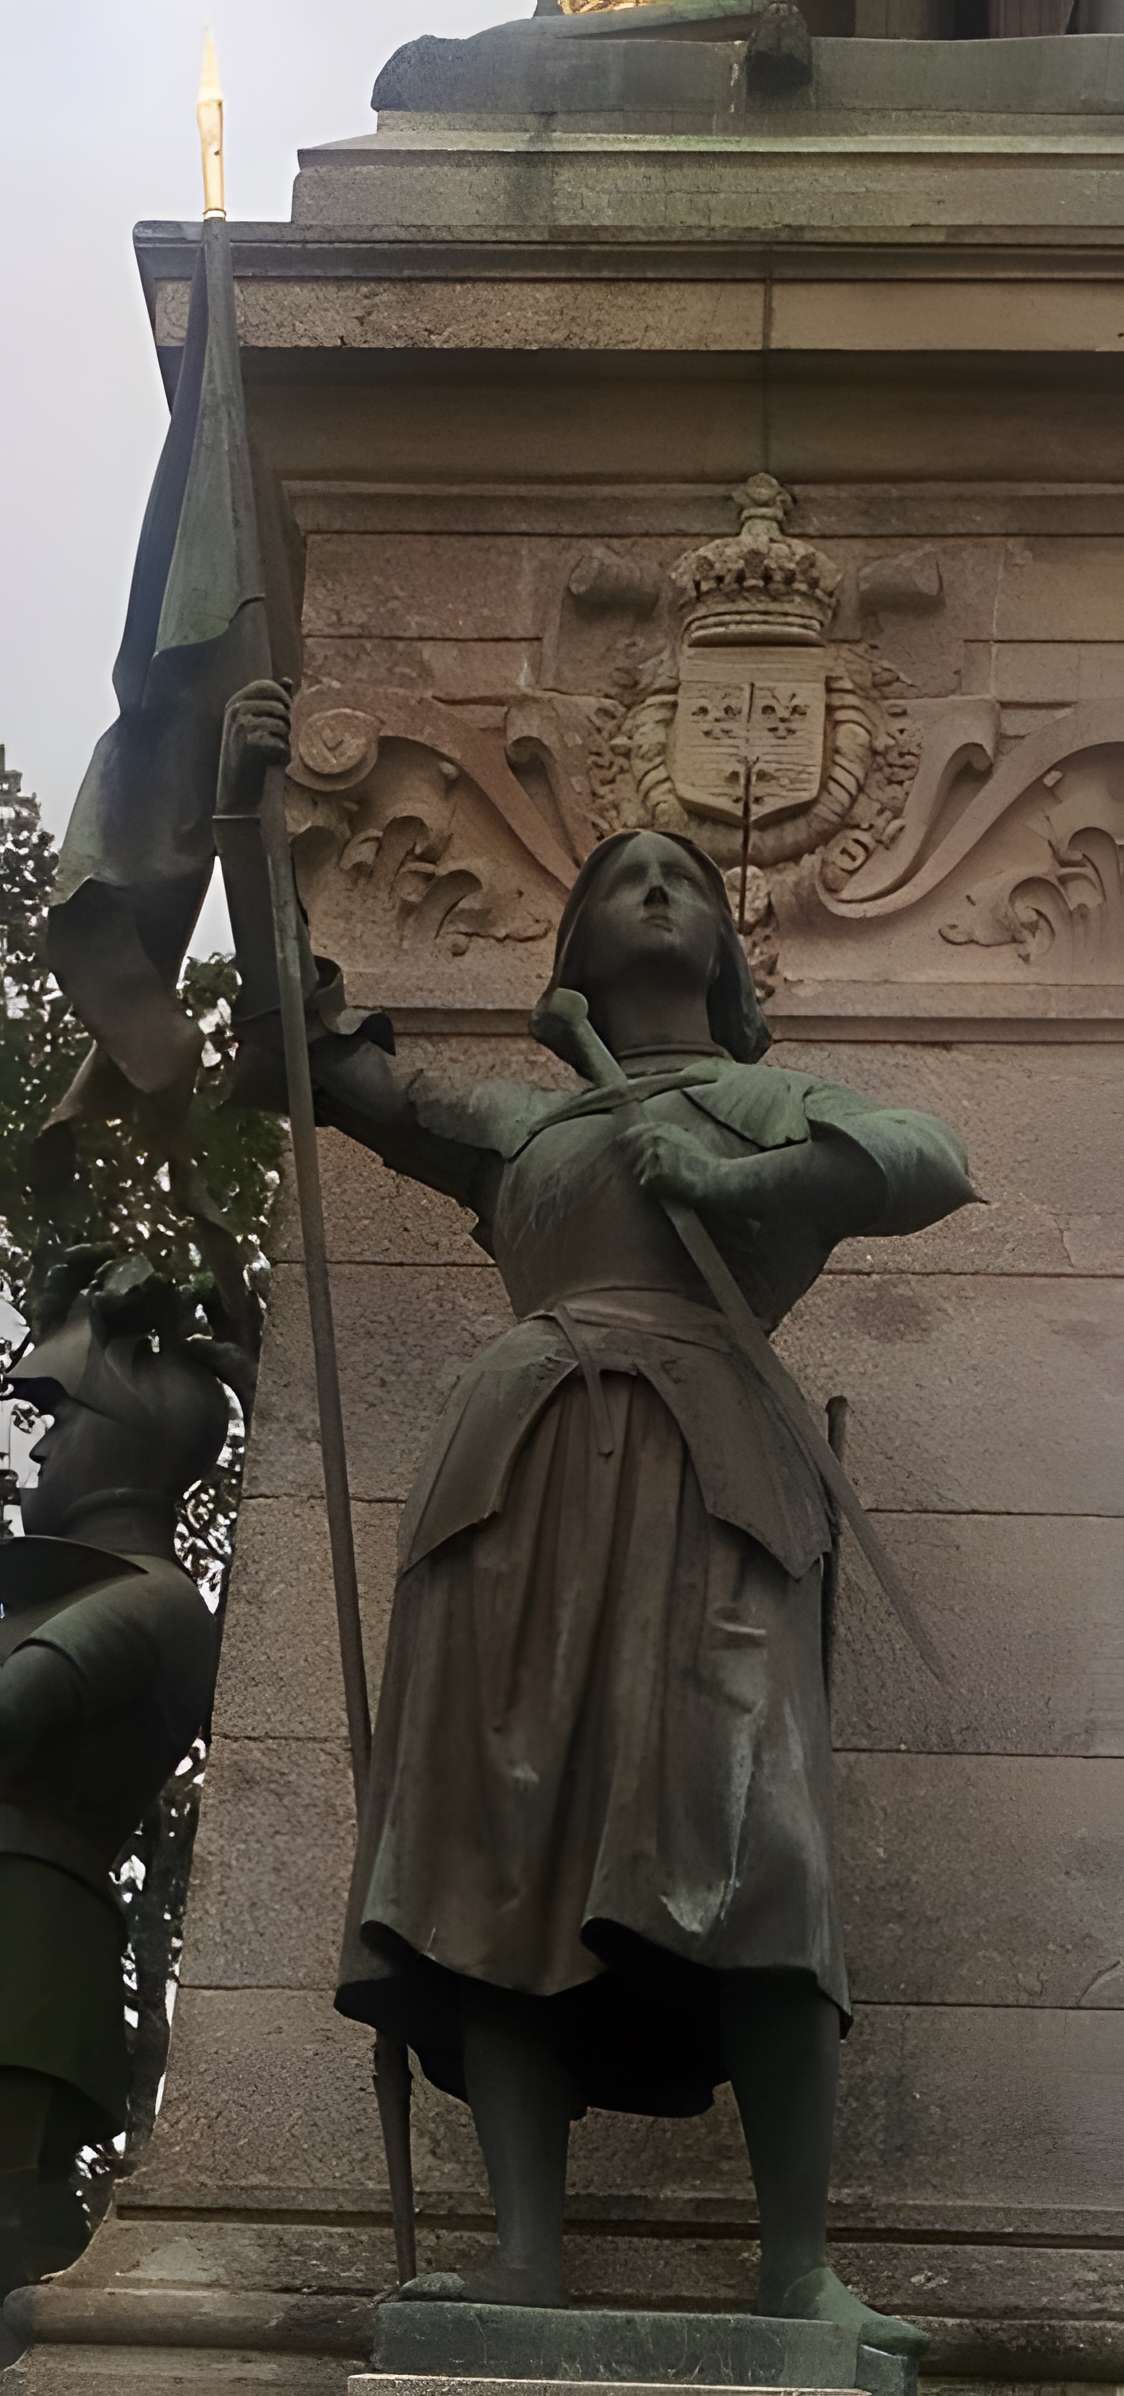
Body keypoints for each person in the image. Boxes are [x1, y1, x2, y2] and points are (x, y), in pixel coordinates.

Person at [220, 680, 977, 2354]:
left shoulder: (770, 1101)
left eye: (680, 876)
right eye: (623, 873)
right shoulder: (526, 1116)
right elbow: (304, 1056)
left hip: (717, 1476)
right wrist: (241, 821)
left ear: (722, 949)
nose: (651, 884)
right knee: (496, 1847)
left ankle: (798, 2264)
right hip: (522, 1474)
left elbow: (925, 1159)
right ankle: (522, 2256)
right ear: (570, 943)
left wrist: (748, 1178)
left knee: (759, 1842)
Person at [0, 1257, 227, 2300]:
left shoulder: (152, 1598)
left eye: (58, 1417)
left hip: (29, 1950)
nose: (40, 1446)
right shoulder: (75, 1593)